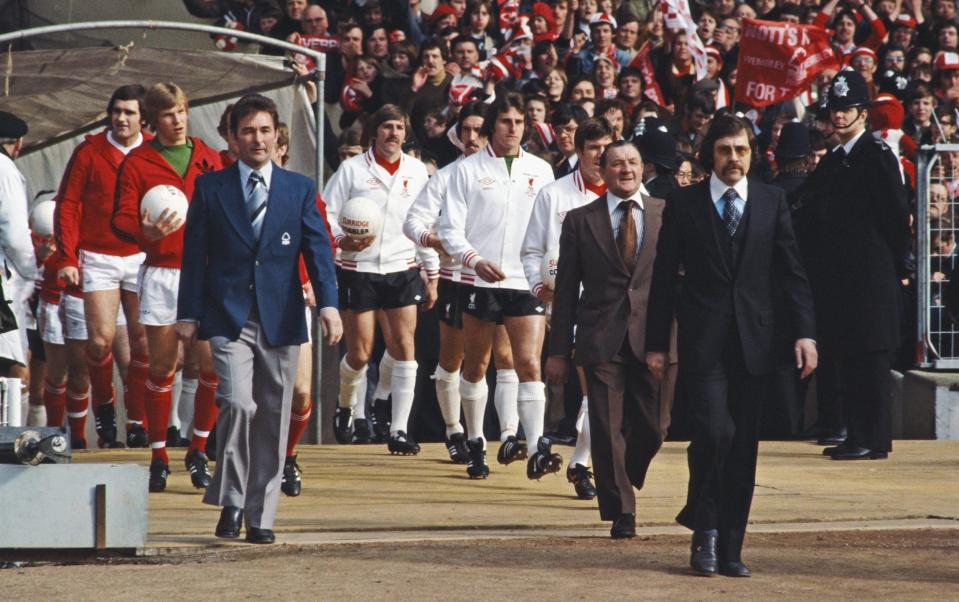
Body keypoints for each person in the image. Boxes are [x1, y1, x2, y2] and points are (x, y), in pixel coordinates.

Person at [645, 114, 818, 577]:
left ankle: (730, 547)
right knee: (714, 432)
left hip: (756, 342)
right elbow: (663, 278)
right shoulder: (684, 203)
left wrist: (805, 333)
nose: (734, 158)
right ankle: (705, 530)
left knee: (743, 446)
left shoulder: (771, 200)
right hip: (703, 342)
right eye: (724, 150)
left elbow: (791, 272)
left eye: (741, 149)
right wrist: (656, 343)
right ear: (710, 155)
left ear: (752, 153)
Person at [177, 93, 341, 545]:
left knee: (273, 414)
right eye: (247, 130)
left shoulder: (299, 188)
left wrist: (328, 305)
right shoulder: (211, 188)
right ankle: (231, 500)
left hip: (283, 317)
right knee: (237, 403)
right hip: (228, 317)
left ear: (276, 135)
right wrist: (188, 314)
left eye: (265, 130)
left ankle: (260, 515)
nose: (257, 139)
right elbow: (194, 258)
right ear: (231, 137)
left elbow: (319, 251)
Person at [546, 139, 669, 536]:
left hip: (654, 339)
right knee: (604, 424)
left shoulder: (666, 214)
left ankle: (625, 472)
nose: (626, 170)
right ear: (603, 170)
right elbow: (565, 292)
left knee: (655, 427)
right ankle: (621, 510)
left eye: (633, 162)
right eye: (617, 164)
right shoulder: (581, 221)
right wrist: (559, 352)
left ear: (642, 167)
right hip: (600, 340)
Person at [438, 91, 557, 480]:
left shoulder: (541, 170)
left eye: (520, 122)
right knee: (477, 364)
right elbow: (449, 229)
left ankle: (536, 446)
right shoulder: (465, 170)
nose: (513, 129)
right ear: (492, 125)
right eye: (506, 121)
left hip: (525, 280)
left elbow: (551, 230)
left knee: (527, 363)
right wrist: (474, 259)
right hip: (478, 278)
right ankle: (476, 442)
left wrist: (549, 274)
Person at [112, 82, 223, 492]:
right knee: (163, 367)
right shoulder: (138, 162)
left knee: (210, 365)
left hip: (206, 275)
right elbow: (120, 218)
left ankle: (198, 449)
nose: (177, 121)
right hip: (162, 272)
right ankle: (159, 454)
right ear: (152, 120)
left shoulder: (210, 158)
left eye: (181, 111)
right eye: (167, 114)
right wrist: (141, 229)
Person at [801, 70, 910, 460]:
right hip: (842, 280)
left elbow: (897, 218)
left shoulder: (875, 156)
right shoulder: (835, 160)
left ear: (864, 113)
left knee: (871, 360)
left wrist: (896, 265)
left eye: (848, 109)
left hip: (872, 277)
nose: (840, 116)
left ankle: (873, 438)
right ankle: (857, 433)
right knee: (850, 355)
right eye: (836, 109)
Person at [403, 101, 520, 465]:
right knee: (453, 359)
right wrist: (435, 243)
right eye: (465, 130)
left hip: (500, 279)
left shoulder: (516, 172)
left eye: (478, 130)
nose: (471, 137)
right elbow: (413, 223)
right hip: (457, 277)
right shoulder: (448, 175)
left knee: (505, 358)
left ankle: (510, 435)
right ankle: (455, 430)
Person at [323, 104, 434, 455]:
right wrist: (343, 242)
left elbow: (425, 223)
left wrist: (430, 271)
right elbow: (325, 213)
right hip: (359, 269)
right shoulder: (351, 170)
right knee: (360, 353)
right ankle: (346, 405)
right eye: (387, 127)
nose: (393, 134)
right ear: (374, 132)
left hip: (402, 268)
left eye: (400, 127)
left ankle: (397, 428)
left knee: (404, 348)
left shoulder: (417, 171)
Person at [521, 117, 615, 500]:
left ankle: (580, 462)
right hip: (561, 308)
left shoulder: (624, 193)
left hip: (608, 310)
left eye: (606, 148)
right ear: (579, 152)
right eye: (593, 148)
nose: (601, 156)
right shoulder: (553, 194)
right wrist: (538, 287)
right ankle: (544, 446)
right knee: (571, 386)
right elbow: (530, 251)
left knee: (598, 390)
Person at [54, 85, 152, 449]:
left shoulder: (154, 151)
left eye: (129, 112)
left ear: (143, 117)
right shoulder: (89, 150)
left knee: (141, 344)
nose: (122, 118)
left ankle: (138, 421)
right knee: (99, 341)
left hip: (142, 257)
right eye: (117, 111)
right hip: (98, 257)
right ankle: (105, 405)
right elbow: (68, 204)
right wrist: (66, 257)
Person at [0, 111, 39, 380]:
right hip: (3, 287)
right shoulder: (5, 170)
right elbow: (15, 235)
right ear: (17, 144)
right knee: (15, 365)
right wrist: (33, 271)